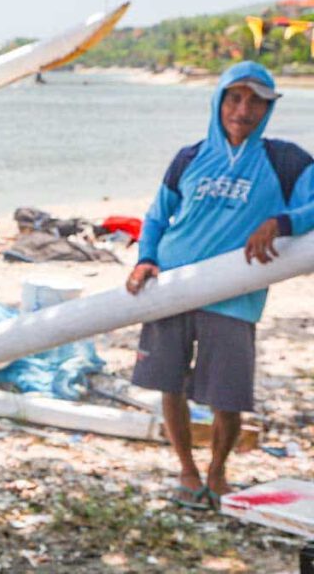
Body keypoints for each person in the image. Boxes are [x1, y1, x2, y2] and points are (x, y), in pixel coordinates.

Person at [126, 61, 314, 508]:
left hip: (235, 297)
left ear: (268, 109)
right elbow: (156, 217)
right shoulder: (190, 157)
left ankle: (217, 470)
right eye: (235, 97)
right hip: (171, 286)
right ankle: (187, 472)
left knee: (226, 397)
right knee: (169, 385)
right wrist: (146, 259)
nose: (243, 109)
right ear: (219, 100)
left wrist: (282, 221)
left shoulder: (286, 160)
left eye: (255, 101)